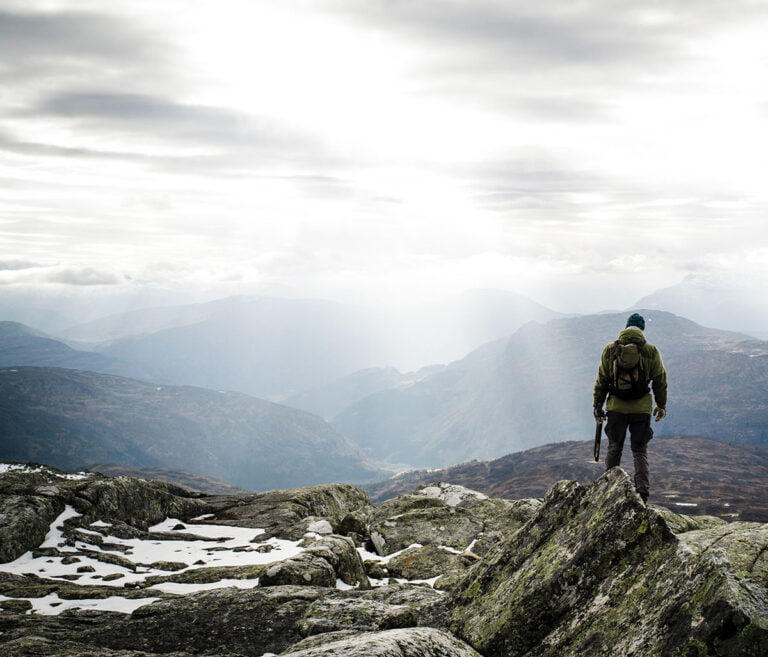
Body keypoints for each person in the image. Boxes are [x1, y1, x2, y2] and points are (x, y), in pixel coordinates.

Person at [592, 313, 667, 503]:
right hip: (641, 409)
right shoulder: (650, 351)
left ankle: (607, 490)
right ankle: (642, 492)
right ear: (642, 330)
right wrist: (661, 404)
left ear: (626, 328)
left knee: (614, 446)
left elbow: (602, 380)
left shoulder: (610, 350)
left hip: (616, 407)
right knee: (639, 450)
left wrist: (597, 406)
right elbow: (660, 380)